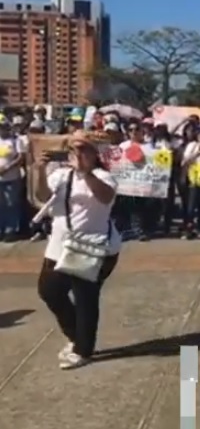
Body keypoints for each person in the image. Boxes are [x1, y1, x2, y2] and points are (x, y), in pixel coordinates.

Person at [34, 130, 121, 369]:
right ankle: (75, 336)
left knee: (85, 298)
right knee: (49, 290)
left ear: (95, 153)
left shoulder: (104, 176)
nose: (78, 153)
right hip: (60, 244)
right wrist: (39, 170)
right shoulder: (61, 175)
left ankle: (83, 349)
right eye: (74, 149)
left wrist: (86, 173)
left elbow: (105, 197)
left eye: (84, 149)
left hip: (92, 247)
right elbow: (41, 196)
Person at [0, 117, 24, 242]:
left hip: (11, 178)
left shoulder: (16, 140)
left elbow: (20, 158)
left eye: (3, 126)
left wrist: (7, 167)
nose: (1, 129)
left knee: (12, 204)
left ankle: (11, 230)